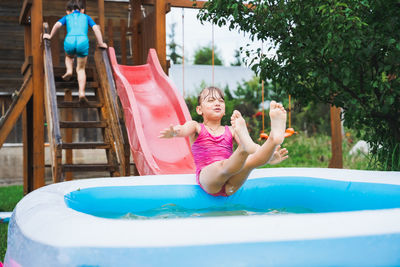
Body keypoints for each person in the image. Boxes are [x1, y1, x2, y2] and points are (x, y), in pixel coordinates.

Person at [159, 86, 289, 196]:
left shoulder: (232, 130)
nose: (217, 103)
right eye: (210, 100)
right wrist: (174, 132)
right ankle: (246, 148)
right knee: (228, 164)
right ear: (199, 110)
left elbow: (254, 148)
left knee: (249, 160)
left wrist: (271, 156)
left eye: (221, 101)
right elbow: (183, 129)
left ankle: (273, 139)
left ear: (225, 109)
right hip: (209, 178)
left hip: (231, 183)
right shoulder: (196, 126)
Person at [43, 0, 107, 104]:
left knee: (68, 57)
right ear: (82, 10)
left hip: (70, 40)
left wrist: (50, 35)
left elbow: (57, 25)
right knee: (81, 69)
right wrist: (101, 43)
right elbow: (96, 29)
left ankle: (69, 70)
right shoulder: (86, 17)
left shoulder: (67, 17)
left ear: (68, 11)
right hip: (82, 41)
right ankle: (81, 93)